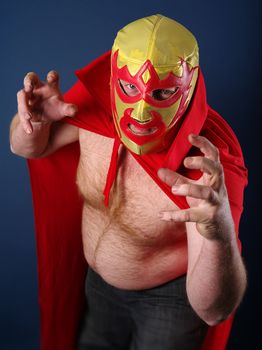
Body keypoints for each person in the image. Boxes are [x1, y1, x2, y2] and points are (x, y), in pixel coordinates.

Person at [10, 14, 248, 350]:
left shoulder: (207, 167)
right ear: (112, 77)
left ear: (190, 86)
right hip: (96, 287)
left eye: (163, 92)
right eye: (129, 87)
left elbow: (213, 310)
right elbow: (28, 147)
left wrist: (220, 231)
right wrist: (31, 122)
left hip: (169, 302)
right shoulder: (94, 101)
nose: (139, 112)